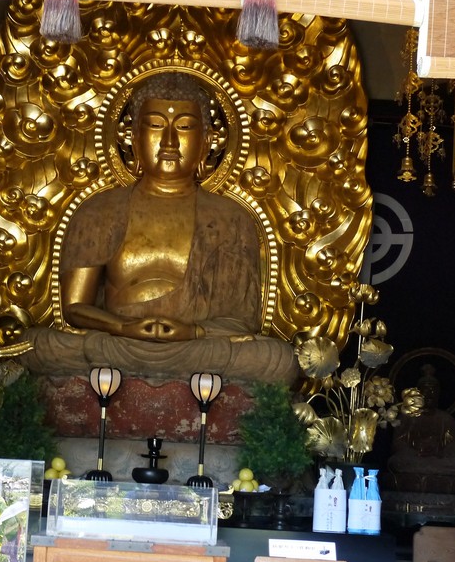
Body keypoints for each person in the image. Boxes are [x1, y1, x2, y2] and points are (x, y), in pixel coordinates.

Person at [21, 72, 297, 383]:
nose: (169, 141)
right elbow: (74, 307)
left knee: (276, 358)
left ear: (206, 142)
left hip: (196, 348)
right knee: (36, 345)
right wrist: (122, 327)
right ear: (133, 138)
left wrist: (192, 331)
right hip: (119, 343)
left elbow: (243, 321)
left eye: (184, 127)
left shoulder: (231, 219)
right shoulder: (99, 210)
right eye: (154, 125)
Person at [385, 364, 455, 495]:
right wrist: (418, 451)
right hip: (415, 460)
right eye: (425, 391)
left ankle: (431, 479)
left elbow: (453, 448)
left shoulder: (446, 419)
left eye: (433, 391)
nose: (429, 395)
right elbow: (398, 445)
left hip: (439, 461)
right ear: (418, 394)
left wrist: (438, 452)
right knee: (397, 463)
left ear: (439, 393)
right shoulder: (407, 416)